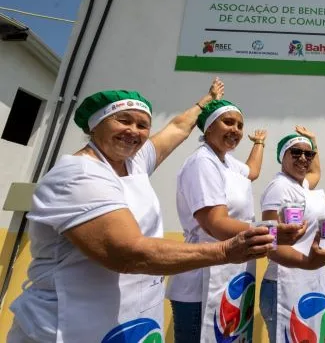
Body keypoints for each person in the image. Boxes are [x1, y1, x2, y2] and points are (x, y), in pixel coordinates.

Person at [8, 80, 275, 342]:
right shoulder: (80, 174)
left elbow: (178, 127)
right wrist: (225, 251)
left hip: (127, 321)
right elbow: (127, 254)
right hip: (68, 326)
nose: (133, 131)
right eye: (123, 120)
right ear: (95, 125)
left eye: (143, 125)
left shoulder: (133, 163)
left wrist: (207, 100)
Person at [165, 99, 304, 343]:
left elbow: (252, 171)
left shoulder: (226, 162)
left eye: (240, 125)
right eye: (228, 122)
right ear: (208, 128)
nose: (236, 130)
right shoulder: (202, 162)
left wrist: (259, 142)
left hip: (232, 272)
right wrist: (270, 232)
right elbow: (215, 224)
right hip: (202, 284)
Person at [259, 128, 325, 343]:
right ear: (282, 157)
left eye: (308, 154)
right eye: (296, 153)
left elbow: (316, 173)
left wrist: (314, 142)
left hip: (312, 280)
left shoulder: (302, 185)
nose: (303, 158)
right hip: (285, 284)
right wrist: (309, 262)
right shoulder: (278, 188)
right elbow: (270, 243)